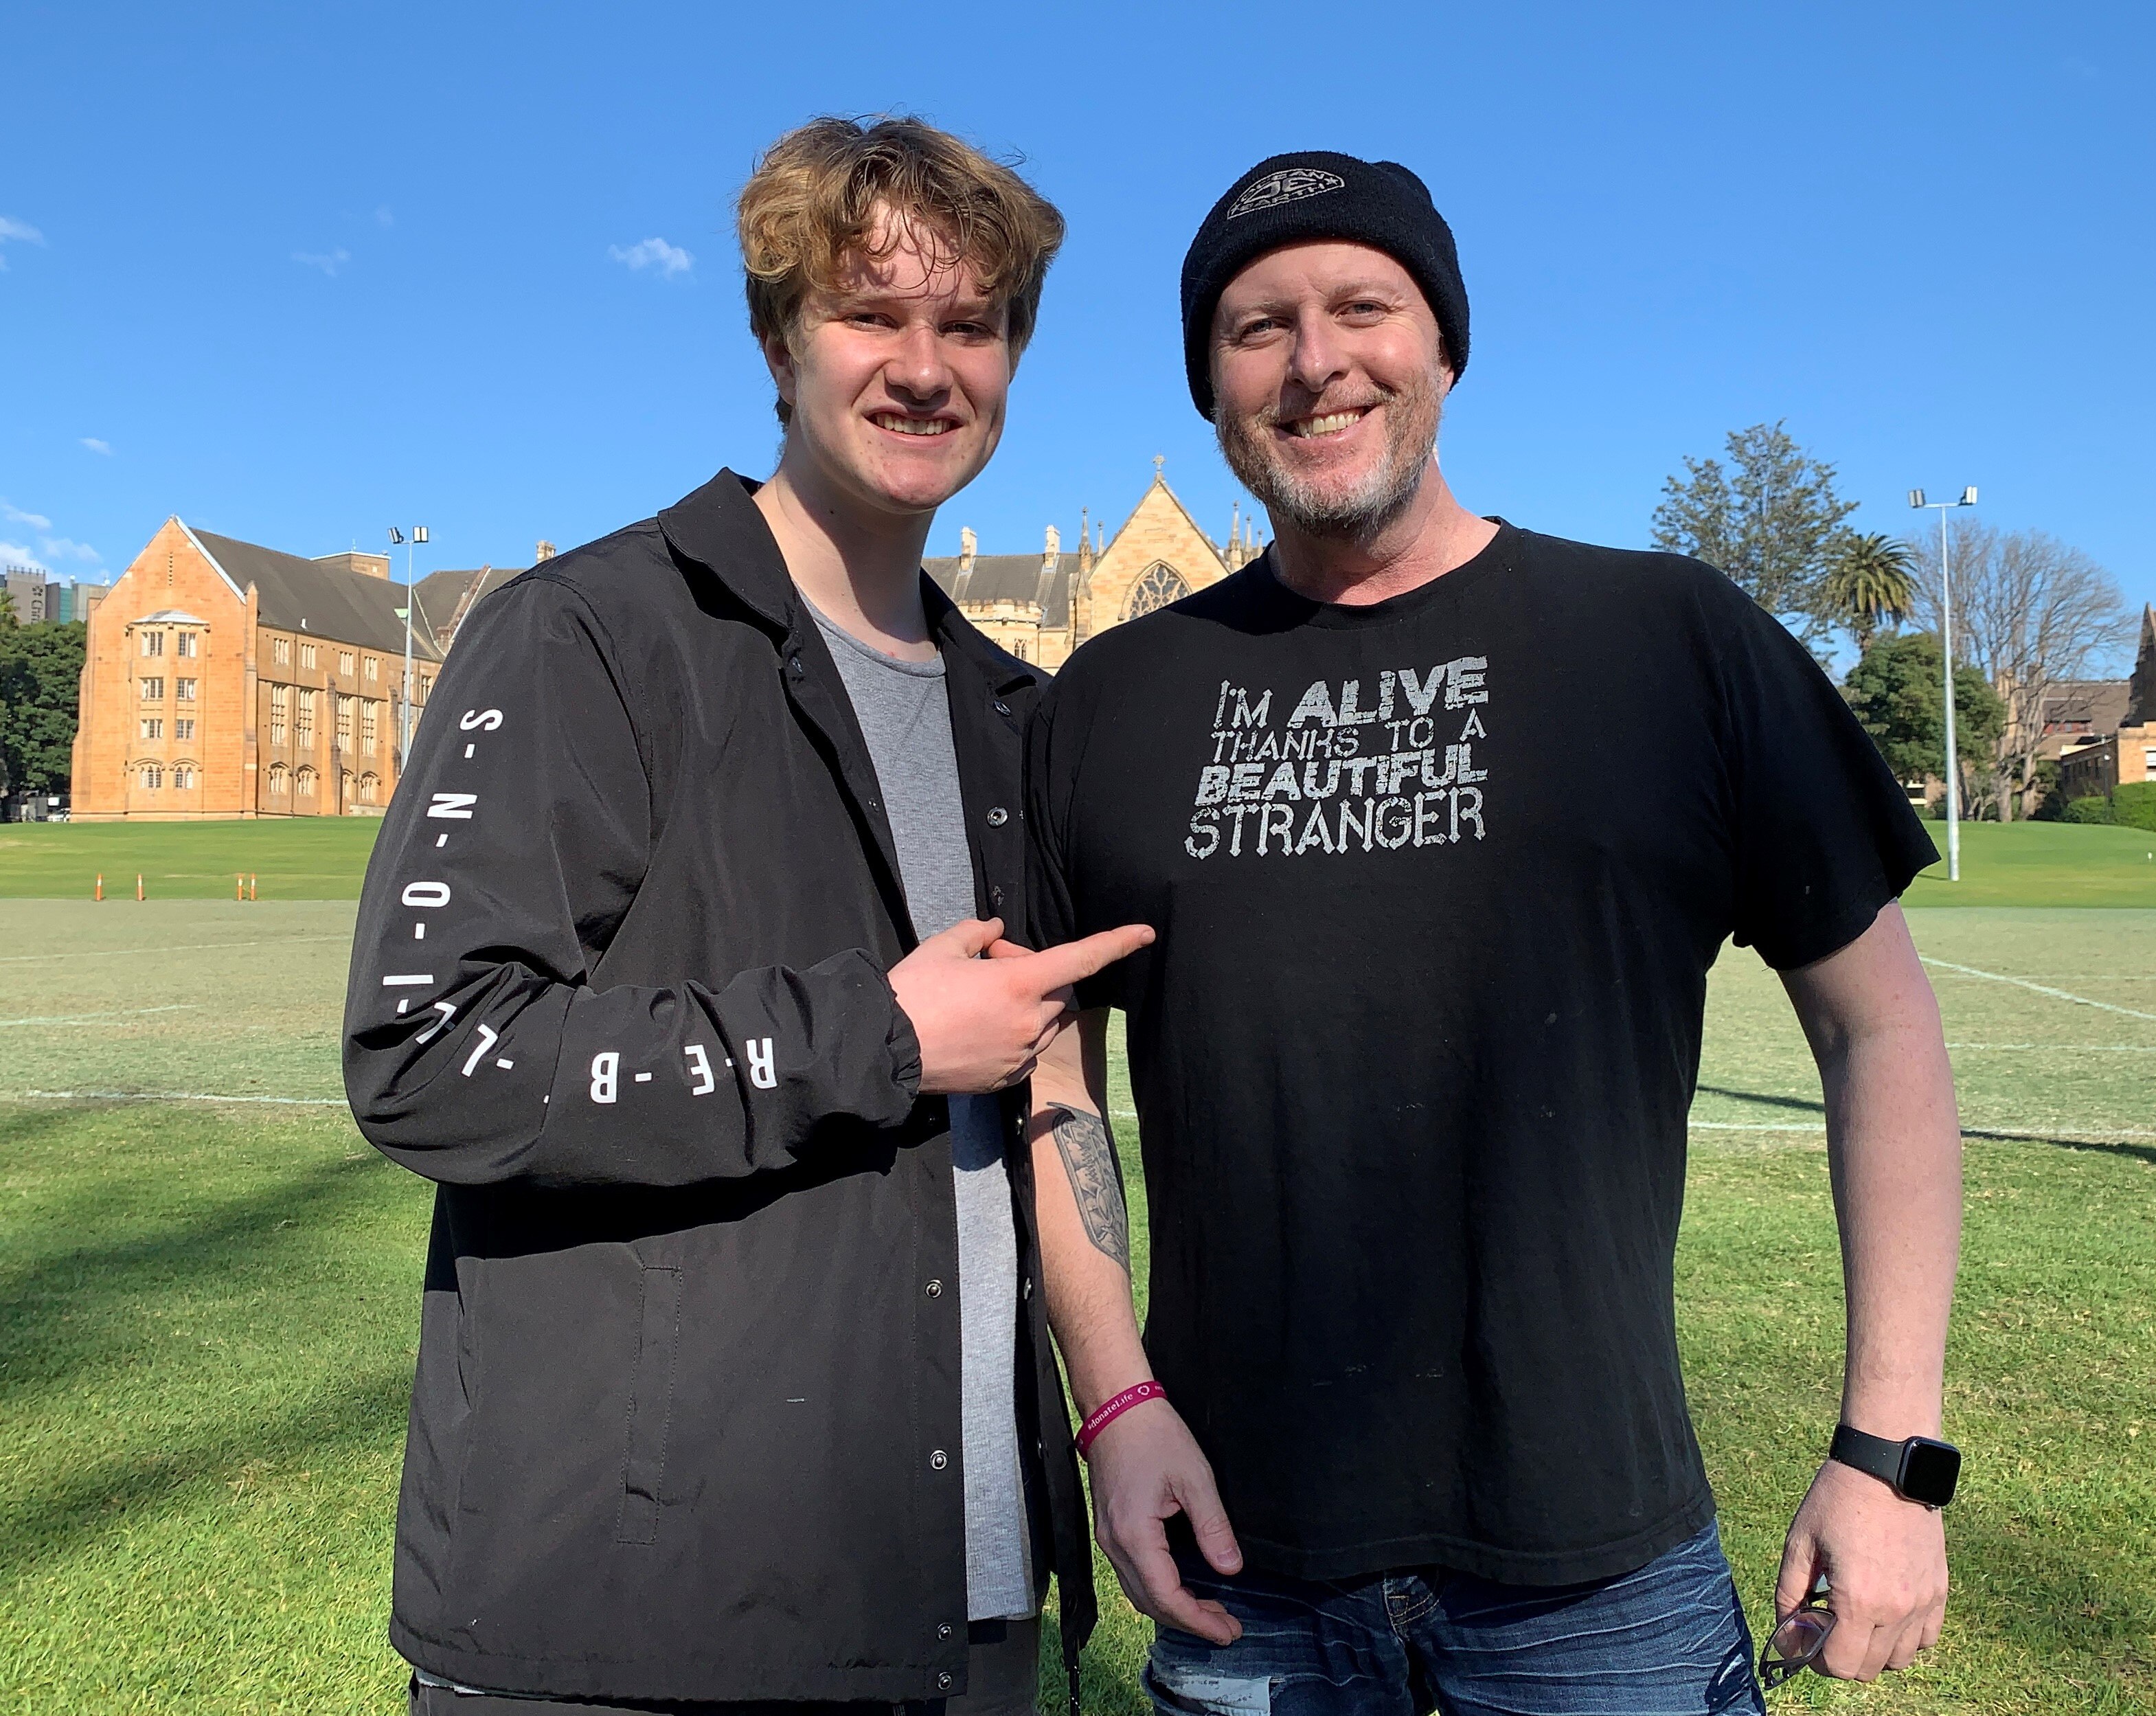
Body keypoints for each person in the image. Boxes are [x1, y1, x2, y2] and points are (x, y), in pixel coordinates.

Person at [1023, 150, 1964, 1715]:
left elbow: (1882, 1029)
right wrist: (1113, 1403)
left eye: (1363, 306)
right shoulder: (1107, 705)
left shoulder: (1670, 639)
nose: (1316, 359)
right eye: (1257, 327)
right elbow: (1051, 1070)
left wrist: (1891, 1453)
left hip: (1600, 1583)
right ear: (1211, 390)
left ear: (1443, 345)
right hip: (1243, 1569)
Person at [343, 115, 1149, 1716]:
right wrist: (884, 1032)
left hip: (962, 1604)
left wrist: (1119, 1405)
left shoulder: (1017, 717)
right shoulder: (590, 632)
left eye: (970, 325)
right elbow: (429, 1052)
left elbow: (1050, 1090)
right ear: (780, 339)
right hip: (645, 1630)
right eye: (872, 314)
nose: (925, 366)